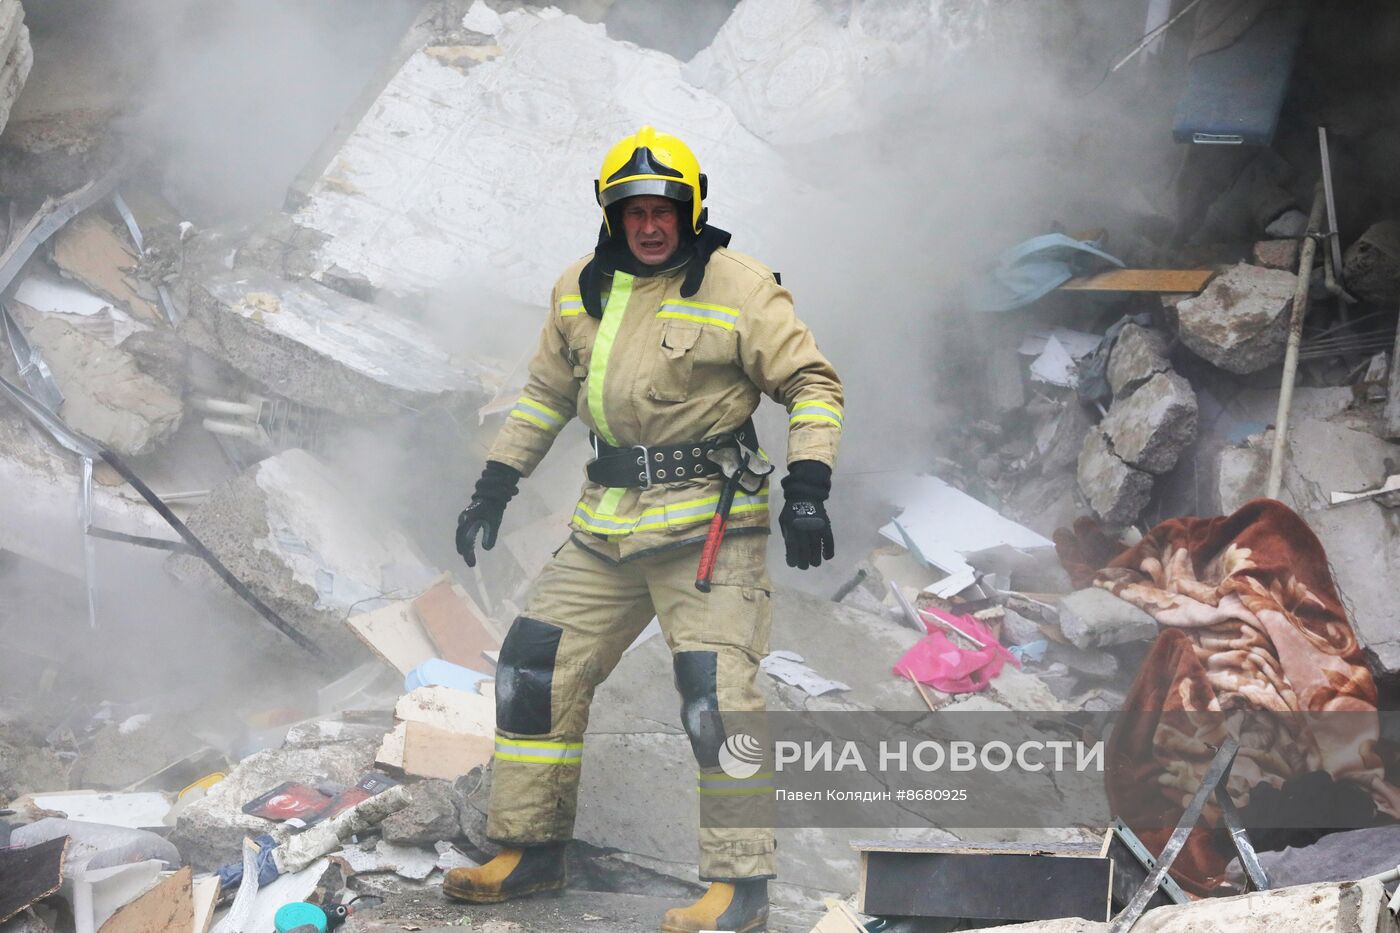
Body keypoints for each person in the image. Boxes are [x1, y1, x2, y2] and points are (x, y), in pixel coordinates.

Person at [443, 125, 843, 933]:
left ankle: (740, 889)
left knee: (715, 695)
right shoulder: (577, 289)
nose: (651, 225)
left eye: (664, 210)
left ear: (690, 211)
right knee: (533, 663)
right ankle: (530, 850)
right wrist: (496, 482)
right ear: (612, 216)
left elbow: (811, 382)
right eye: (635, 212)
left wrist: (807, 487)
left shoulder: (740, 284)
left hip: (709, 527)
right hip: (608, 523)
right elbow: (545, 395)